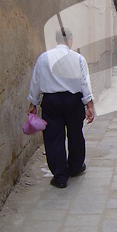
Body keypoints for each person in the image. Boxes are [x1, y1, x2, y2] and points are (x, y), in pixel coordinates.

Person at [27, 27, 94, 189]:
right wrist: (89, 104)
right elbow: (84, 82)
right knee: (75, 134)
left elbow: (36, 82)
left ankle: (60, 176)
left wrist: (33, 103)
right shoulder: (78, 58)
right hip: (73, 101)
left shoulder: (44, 58)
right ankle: (76, 166)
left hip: (51, 102)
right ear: (70, 39)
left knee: (53, 137)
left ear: (56, 39)